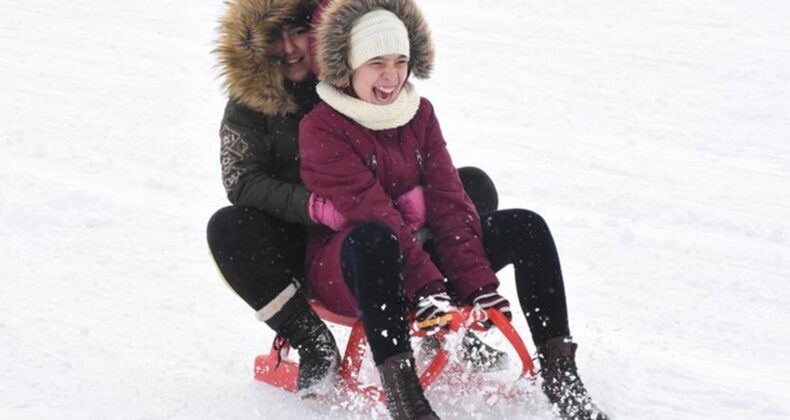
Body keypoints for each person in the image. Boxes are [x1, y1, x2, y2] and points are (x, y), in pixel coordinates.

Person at [299, 1, 608, 419]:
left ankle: (560, 374)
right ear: (349, 65)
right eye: (376, 63)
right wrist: (429, 288)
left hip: (417, 252)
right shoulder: (321, 126)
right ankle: (406, 398)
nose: (391, 76)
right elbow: (372, 213)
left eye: (400, 61)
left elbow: (449, 200)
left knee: (526, 227)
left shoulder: (419, 113)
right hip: (349, 265)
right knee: (377, 238)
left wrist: (477, 285)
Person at [207, 0, 503, 399]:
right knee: (228, 228)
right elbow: (242, 180)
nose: (291, 48)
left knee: (470, 187)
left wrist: (410, 193)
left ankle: (447, 308)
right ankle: (312, 341)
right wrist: (312, 205)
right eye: (276, 37)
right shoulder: (248, 104)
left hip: (380, 216)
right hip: (307, 236)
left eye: (297, 32)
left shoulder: (348, 80)